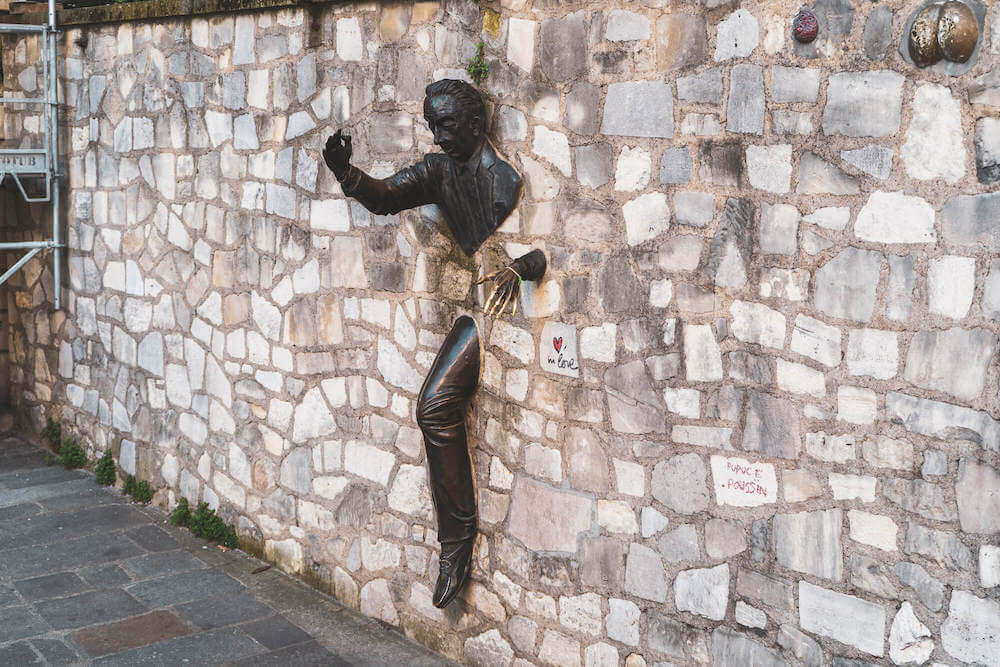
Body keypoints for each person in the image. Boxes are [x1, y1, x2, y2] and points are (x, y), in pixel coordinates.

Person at [323, 79, 546, 608]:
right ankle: (456, 540)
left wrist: (521, 266)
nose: (438, 135)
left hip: (495, 316)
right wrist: (346, 174)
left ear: (476, 122)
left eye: (447, 124)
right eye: (432, 124)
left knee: (433, 407)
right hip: (472, 312)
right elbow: (385, 197)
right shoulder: (438, 171)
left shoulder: (505, 180)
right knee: (433, 408)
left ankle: (457, 540)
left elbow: (545, 255)